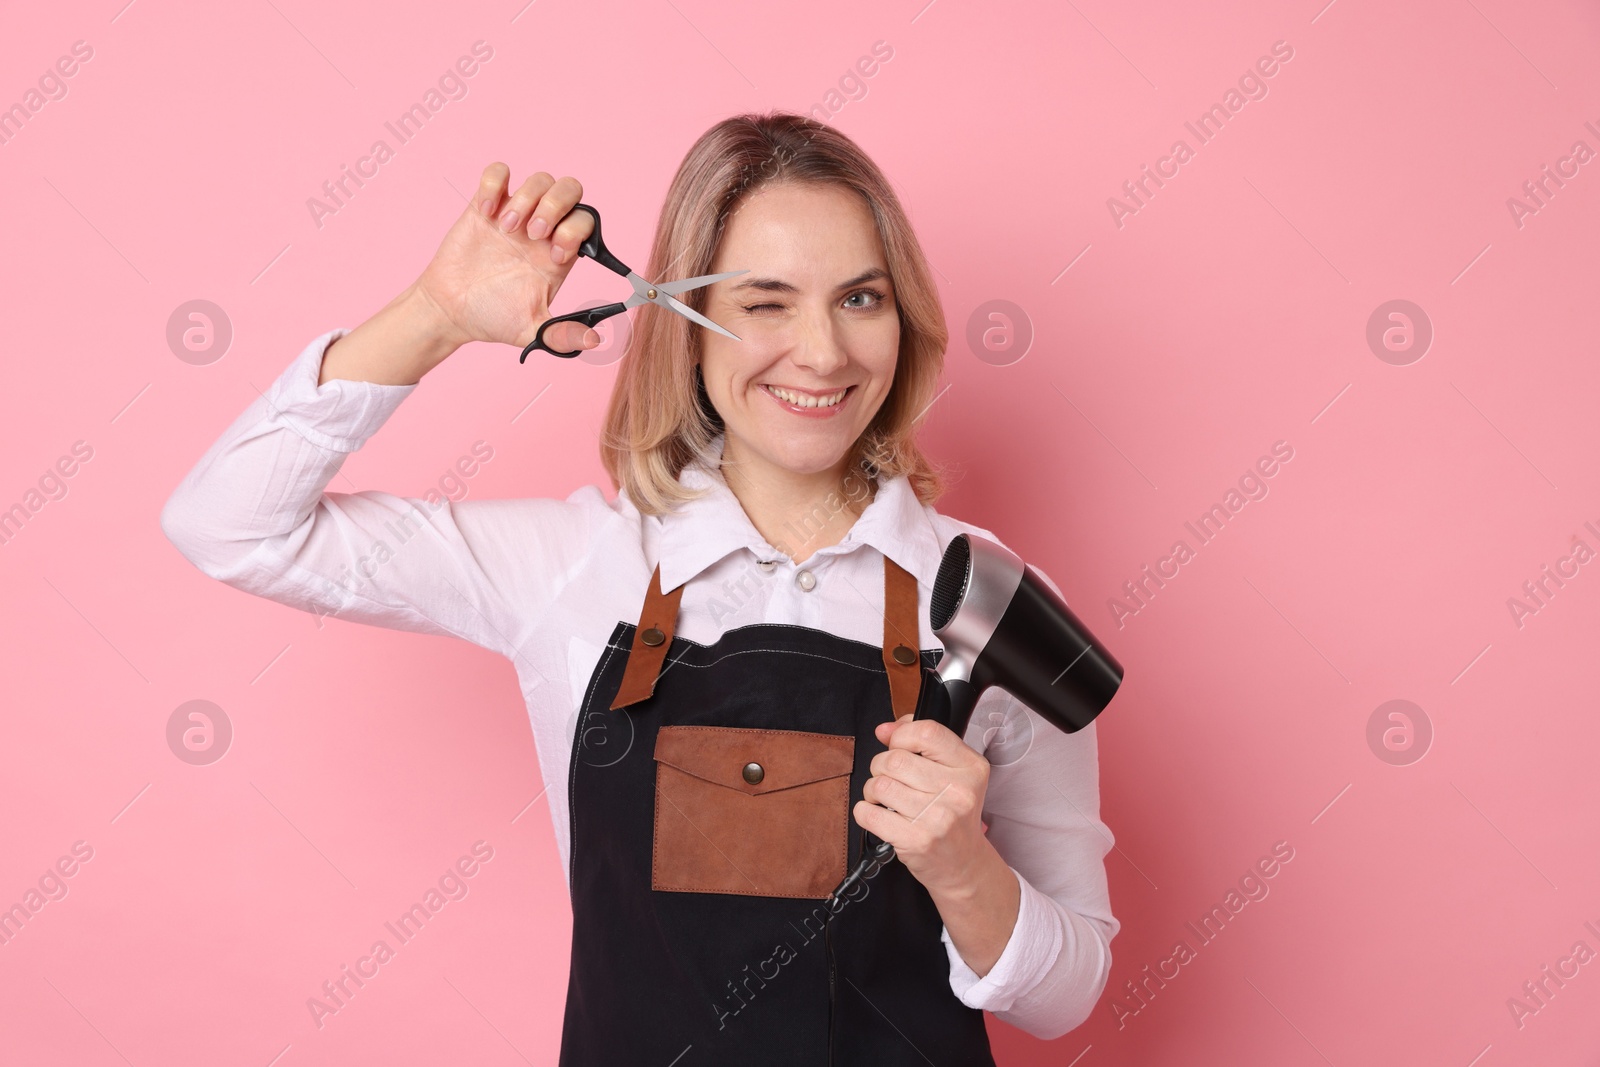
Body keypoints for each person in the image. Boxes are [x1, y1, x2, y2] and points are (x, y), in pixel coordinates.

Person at [161, 111, 1118, 1064]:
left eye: (860, 300)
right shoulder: (576, 565)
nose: (824, 353)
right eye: (765, 302)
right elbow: (230, 525)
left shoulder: (989, 596)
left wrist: (965, 872)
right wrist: (435, 317)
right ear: (685, 321)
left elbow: (1067, 996)